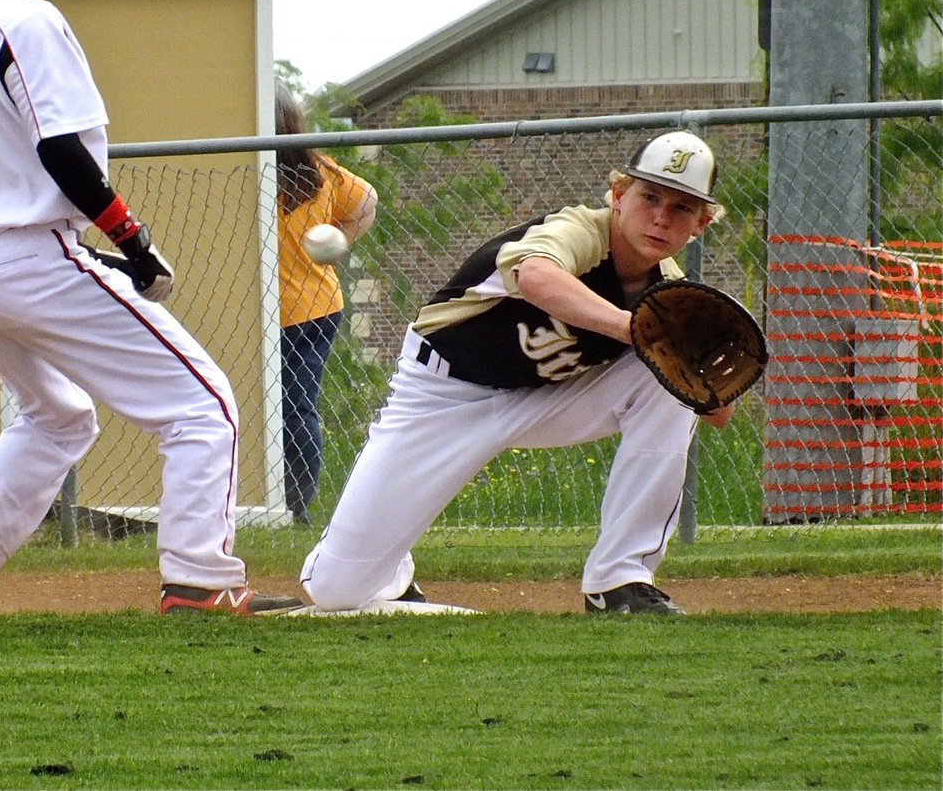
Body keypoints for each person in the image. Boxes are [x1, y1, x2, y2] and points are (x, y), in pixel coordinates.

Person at [0, 0, 303, 617]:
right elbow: (59, 148)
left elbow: (4, 170)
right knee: (203, 404)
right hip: (25, 254)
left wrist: (86, 251)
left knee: (59, 413)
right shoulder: (28, 21)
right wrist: (132, 236)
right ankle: (200, 580)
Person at [300, 129, 733, 615]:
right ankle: (389, 570)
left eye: (681, 207)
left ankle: (619, 580)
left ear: (700, 225)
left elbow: (715, 412)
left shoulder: (670, 295)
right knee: (337, 592)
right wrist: (635, 328)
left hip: (546, 400)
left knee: (668, 380)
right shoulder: (579, 231)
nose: (660, 216)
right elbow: (537, 277)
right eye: (649, 196)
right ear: (617, 196)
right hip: (443, 395)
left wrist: (711, 377)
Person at [275, 82, 378, 523]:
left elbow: (367, 201)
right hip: (310, 305)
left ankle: (295, 507)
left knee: (294, 405)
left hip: (306, 311)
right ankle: (289, 504)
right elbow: (368, 199)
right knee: (295, 405)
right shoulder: (315, 170)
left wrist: (339, 244)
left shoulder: (316, 171)